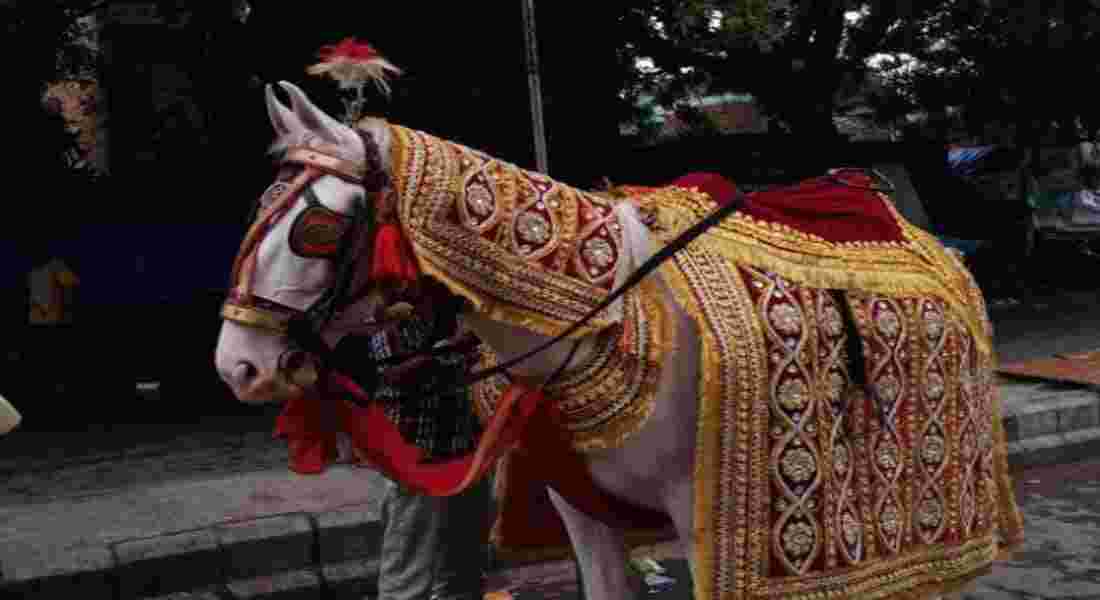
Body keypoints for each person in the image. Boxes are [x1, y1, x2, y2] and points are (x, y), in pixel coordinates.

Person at [339, 290, 489, 600]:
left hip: (465, 447)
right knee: (409, 557)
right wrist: (447, 352)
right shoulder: (387, 315)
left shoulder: (457, 308)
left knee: (464, 557)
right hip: (416, 453)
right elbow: (391, 373)